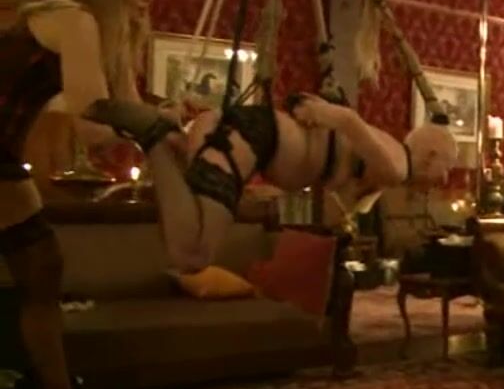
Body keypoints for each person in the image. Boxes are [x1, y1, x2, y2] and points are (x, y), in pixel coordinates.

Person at [0, 0, 188, 389]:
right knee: (36, 271)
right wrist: (159, 125)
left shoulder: (108, 41)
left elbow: (104, 128)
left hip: (2, 153)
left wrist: (166, 123)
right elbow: (90, 113)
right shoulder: (76, 18)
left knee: (42, 270)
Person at [145, 92, 455, 273]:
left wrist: (311, 108)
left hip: (247, 135)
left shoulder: (386, 161)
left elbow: (334, 214)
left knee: (187, 236)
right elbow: (349, 120)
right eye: (448, 168)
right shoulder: (396, 167)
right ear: (431, 156)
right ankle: (154, 136)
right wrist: (318, 111)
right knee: (192, 254)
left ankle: (169, 136)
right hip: (257, 139)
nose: (444, 180)